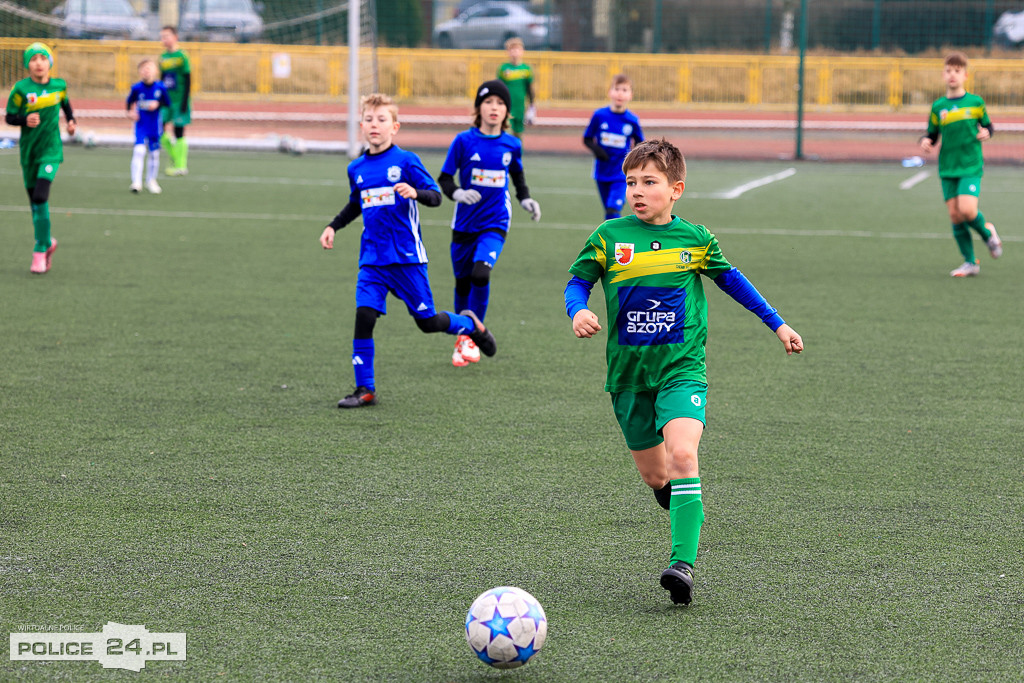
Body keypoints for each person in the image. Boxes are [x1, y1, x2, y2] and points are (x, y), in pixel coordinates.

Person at [563, 139, 803, 606]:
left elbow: (732, 280)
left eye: (649, 182)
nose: (637, 190)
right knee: (657, 478)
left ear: (676, 189)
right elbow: (578, 281)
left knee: (683, 456)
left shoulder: (695, 239)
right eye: (631, 181)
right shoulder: (610, 236)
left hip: (681, 371)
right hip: (628, 379)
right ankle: (686, 511)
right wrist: (577, 310)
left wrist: (777, 322)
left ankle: (682, 564)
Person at [319, 93, 497, 408]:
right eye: (369, 120)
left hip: (407, 260)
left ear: (395, 127)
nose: (375, 125)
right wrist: (333, 225)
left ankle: (469, 324)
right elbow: (355, 203)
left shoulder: (406, 161)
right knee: (364, 315)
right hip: (372, 261)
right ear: (361, 125)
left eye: (382, 119)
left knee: (427, 323)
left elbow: (436, 196)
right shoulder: (356, 167)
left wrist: (415, 192)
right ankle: (365, 389)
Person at [437, 80, 541, 367]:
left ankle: (475, 332)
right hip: (464, 224)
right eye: (488, 102)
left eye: (500, 103)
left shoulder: (512, 144)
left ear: (507, 110)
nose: (494, 108)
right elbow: (445, 178)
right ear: (478, 108)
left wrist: (525, 199)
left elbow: (517, 176)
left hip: (495, 221)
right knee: (462, 282)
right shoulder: (463, 141)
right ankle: (464, 337)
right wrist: (457, 192)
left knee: (480, 275)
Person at [919, 52, 1002, 277]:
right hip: (947, 167)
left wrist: (987, 132)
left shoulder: (976, 103)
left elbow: (988, 126)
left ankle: (988, 234)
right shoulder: (939, 107)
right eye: (948, 71)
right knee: (955, 216)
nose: (952, 75)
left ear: (965, 75)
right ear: (943, 75)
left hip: (970, 164)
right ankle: (970, 262)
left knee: (967, 210)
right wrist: (925, 141)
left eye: (957, 71)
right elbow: (932, 134)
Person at [5, 42, 76, 274]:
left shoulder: (59, 86)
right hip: (29, 151)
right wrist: (24, 120)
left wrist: (72, 121)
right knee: (35, 205)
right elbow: (10, 117)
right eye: (33, 59)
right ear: (28, 64)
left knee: (40, 196)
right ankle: (47, 243)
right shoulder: (21, 89)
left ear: (49, 63)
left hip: (51, 150)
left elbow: (65, 104)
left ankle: (38, 249)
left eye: (42, 58)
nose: (38, 63)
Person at [583, 73, 644, 220]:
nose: (620, 93)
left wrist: (633, 161)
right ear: (610, 92)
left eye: (624, 90)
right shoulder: (599, 115)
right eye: (617, 89)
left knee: (612, 209)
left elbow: (641, 145)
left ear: (630, 95)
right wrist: (598, 151)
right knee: (608, 212)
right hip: (601, 172)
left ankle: (616, 240)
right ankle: (613, 240)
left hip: (621, 173)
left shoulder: (632, 120)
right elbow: (587, 138)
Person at [126, 58, 171, 194]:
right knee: (139, 151)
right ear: (140, 72)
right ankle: (136, 182)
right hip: (141, 126)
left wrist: (158, 104)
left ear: (155, 71)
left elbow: (167, 103)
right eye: (144, 69)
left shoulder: (160, 87)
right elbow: (129, 102)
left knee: (154, 155)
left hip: (155, 126)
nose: (147, 71)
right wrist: (130, 112)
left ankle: (151, 181)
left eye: (149, 68)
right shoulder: (136, 88)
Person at [159, 26, 192, 176]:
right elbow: (162, 80)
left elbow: (188, 78)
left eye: (166, 36)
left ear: (175, 37)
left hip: (179, 101)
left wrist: (185, 102)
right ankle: (175, 157)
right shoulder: (163, 57)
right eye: (162, 37)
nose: (164, 39)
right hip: (166, 101)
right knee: (159, 129)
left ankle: (181, 166)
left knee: (179, 131)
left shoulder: (182, 56)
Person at [496, 38, 535, 138]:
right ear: (507, 52)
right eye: (512, 50)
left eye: (517, 49)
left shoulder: (526, 69)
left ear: (522, 51)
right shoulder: (503, 68)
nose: (515, 52)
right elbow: (499, 88)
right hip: (507, 107)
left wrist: (531, 107)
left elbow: (529, 89)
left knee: (518, 136)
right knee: (506, 134)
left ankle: (518, 154)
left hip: (520, 108)